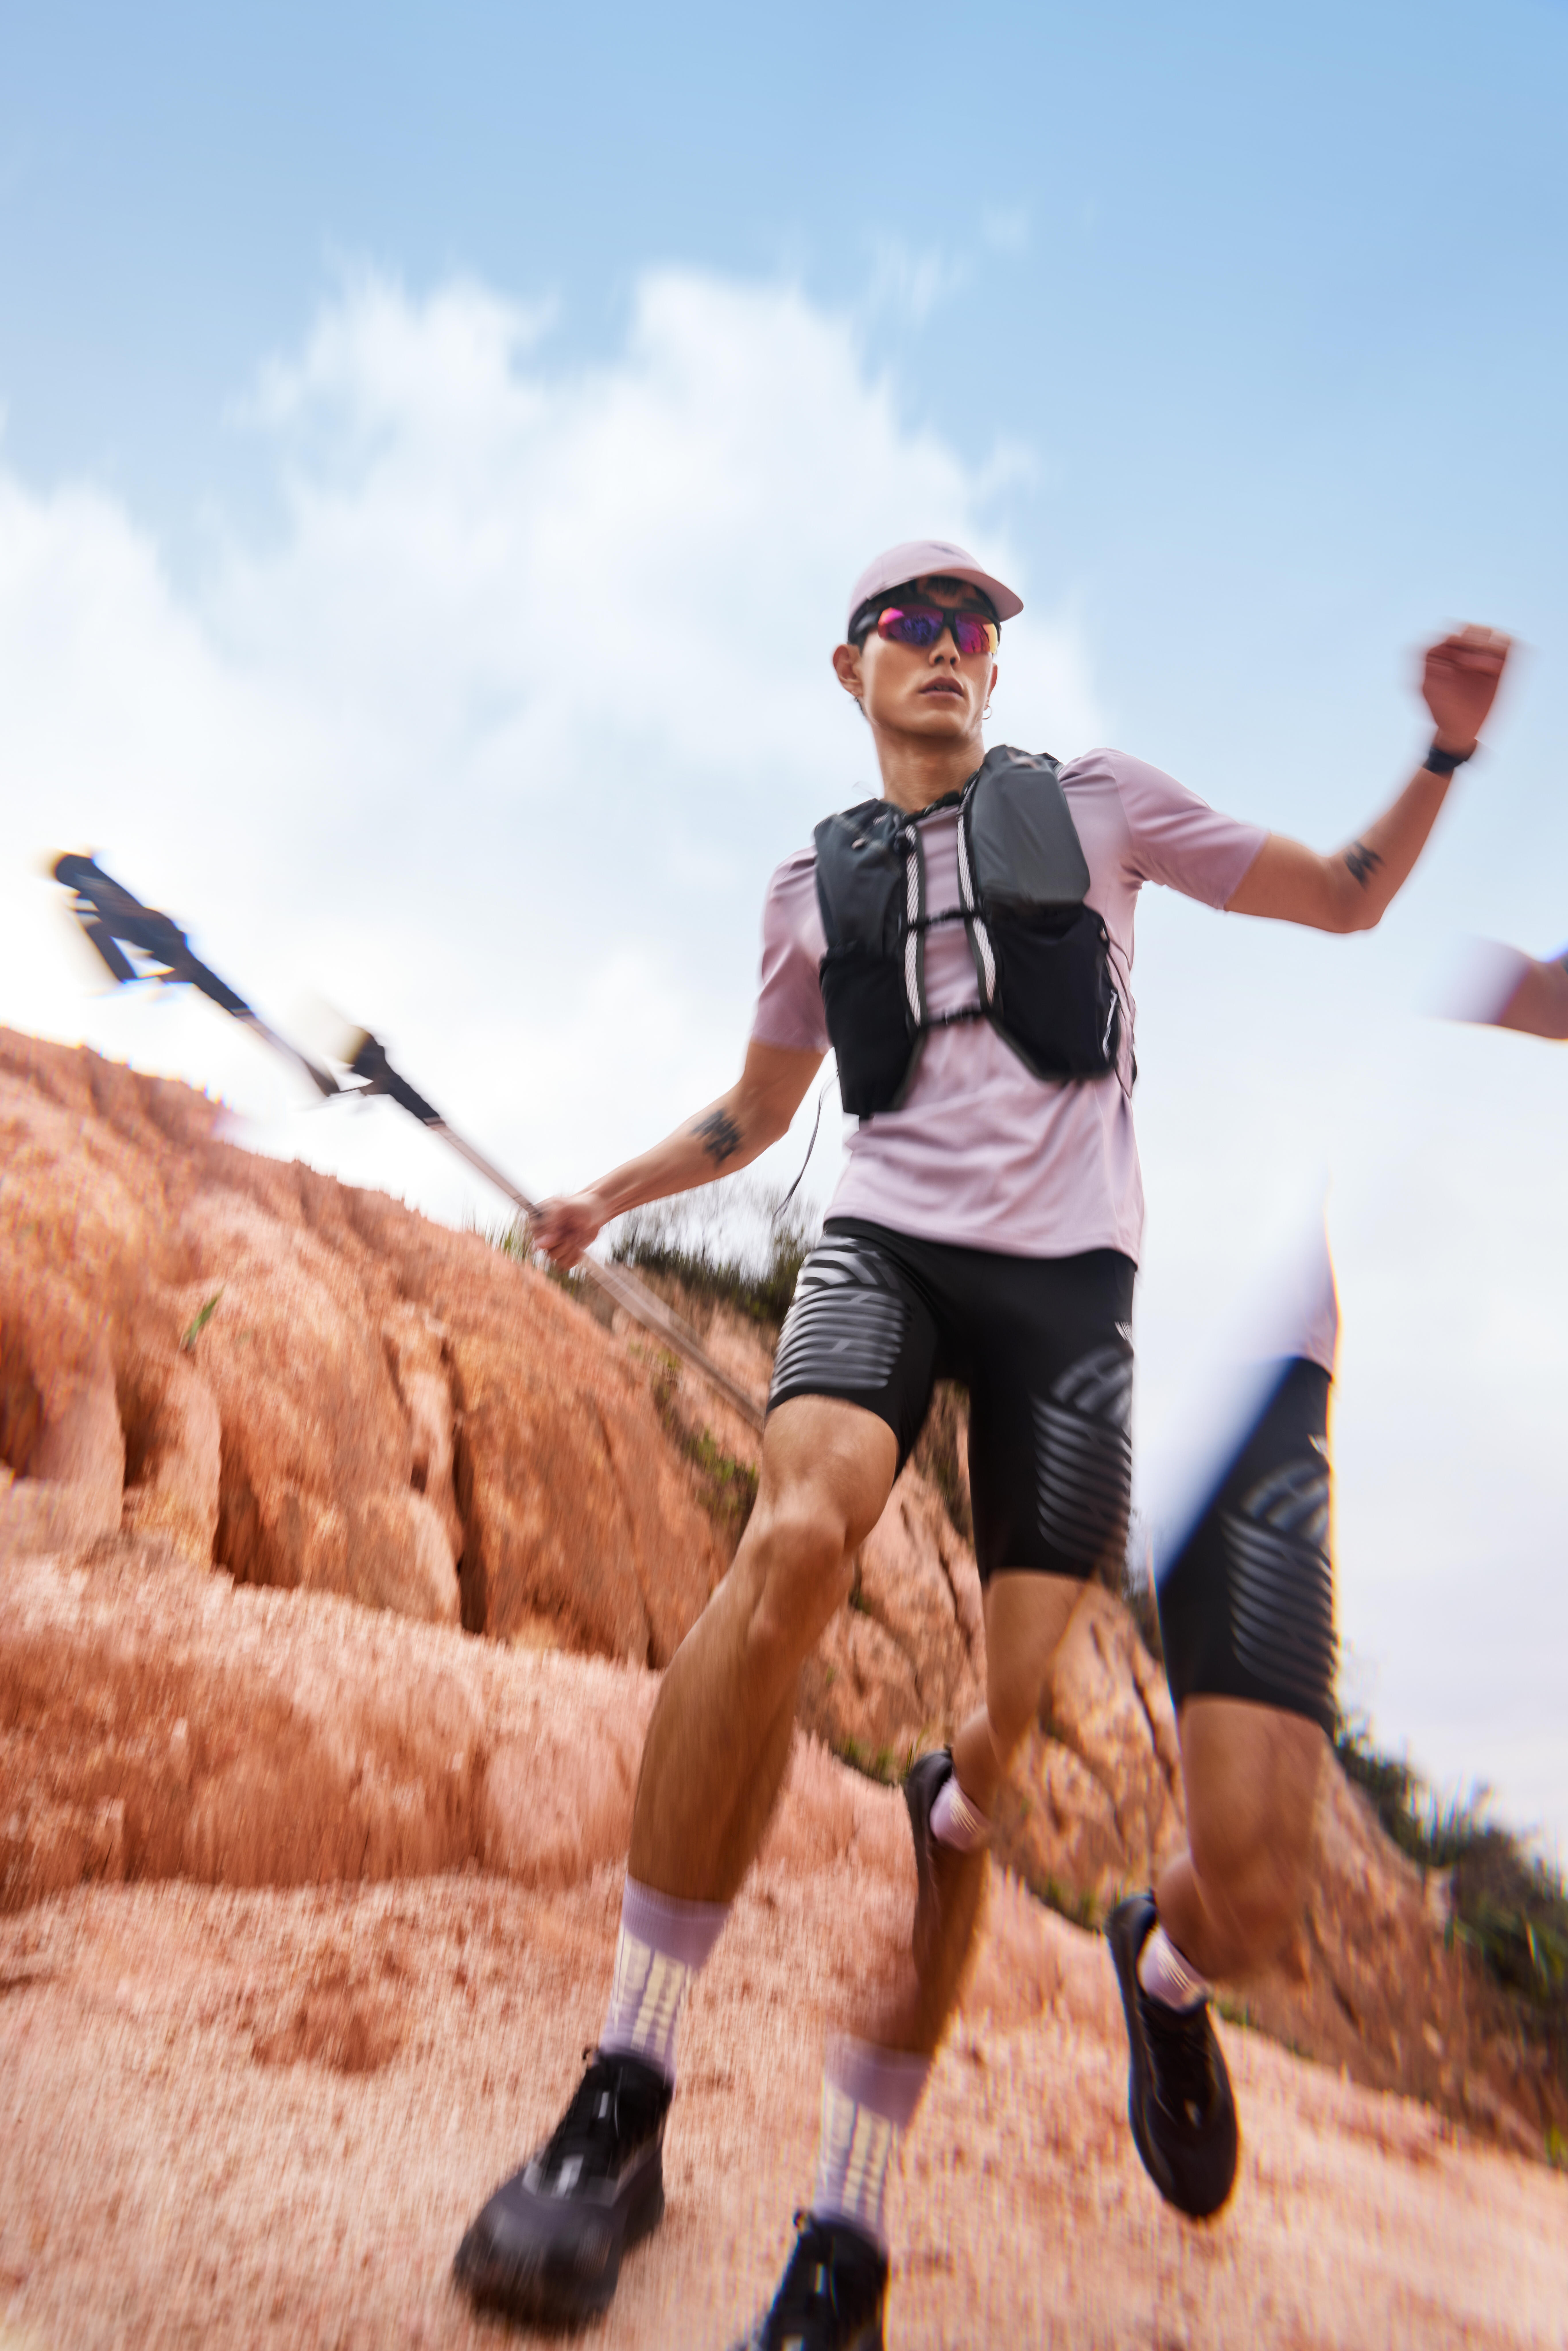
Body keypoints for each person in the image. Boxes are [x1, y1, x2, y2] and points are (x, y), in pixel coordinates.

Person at [451, 539, 1511, 2347]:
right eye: (912, 626)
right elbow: (757, 1106)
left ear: (997, 675)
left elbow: (1342, 898)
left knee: (984, 1773)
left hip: (1066, 1308)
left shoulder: (1100, 807)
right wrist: (606, 1194)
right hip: (886, 1253)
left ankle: (847, 2218)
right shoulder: (807, 885)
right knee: (793, 1543)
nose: (949, 648)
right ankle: (622, 2096)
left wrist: (1439, 759)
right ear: (848, 667)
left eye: (975, 630)